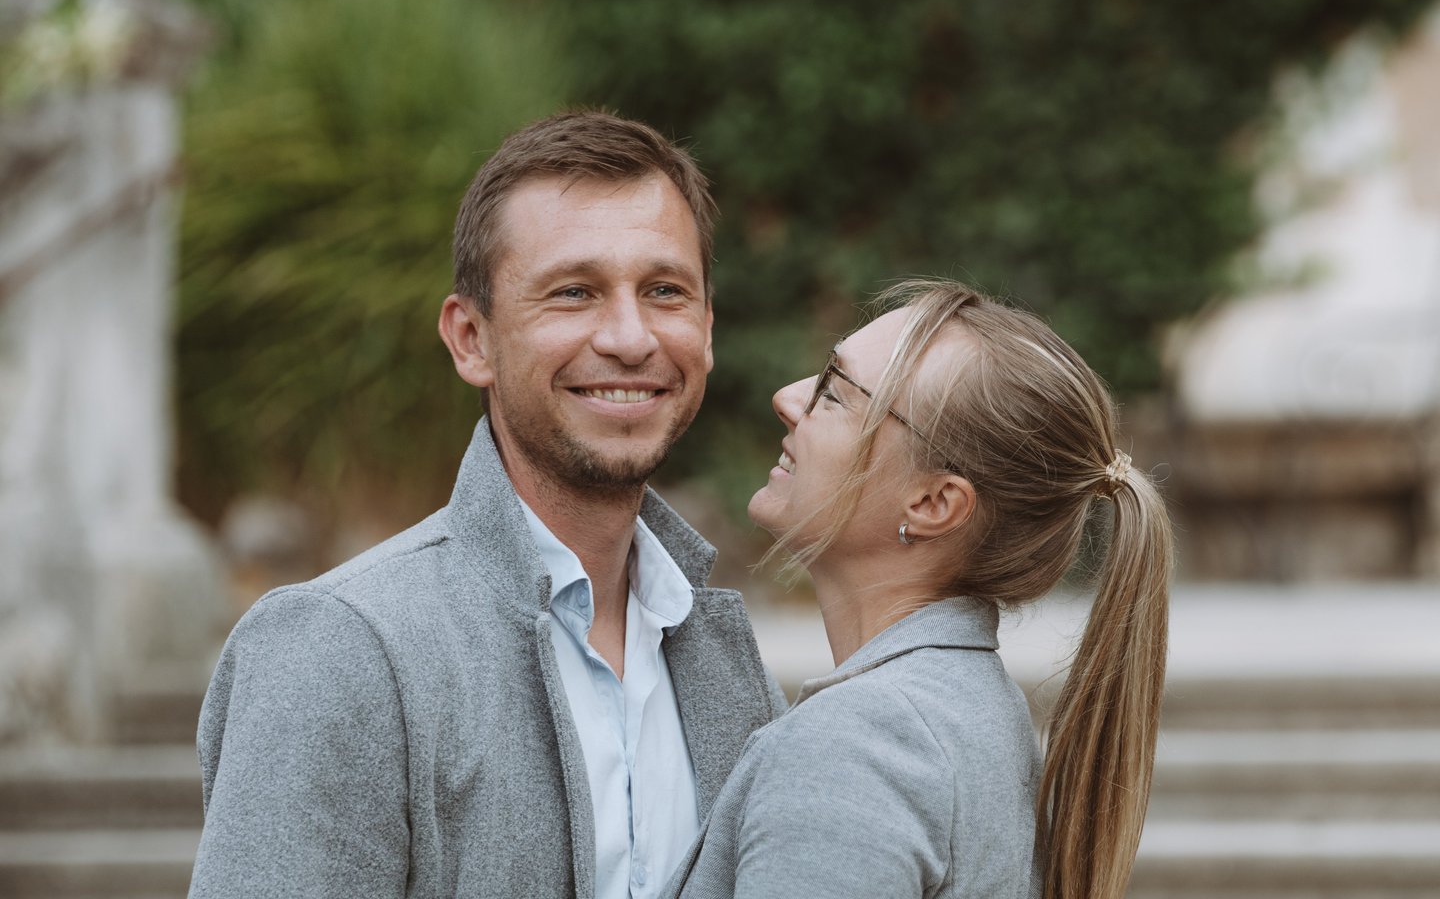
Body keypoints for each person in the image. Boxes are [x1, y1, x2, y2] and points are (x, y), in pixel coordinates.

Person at [188, 111, 787, 899]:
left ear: (706, 330)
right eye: (574, 292)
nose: (631, 337)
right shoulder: (340, 649)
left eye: (665, 291)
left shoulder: (727, 664)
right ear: (471, 339)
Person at [663, 280, 1173, 899]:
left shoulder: (854, 748)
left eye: (835, 393)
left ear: (933, 503)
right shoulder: (966, 706)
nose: (788, 398)